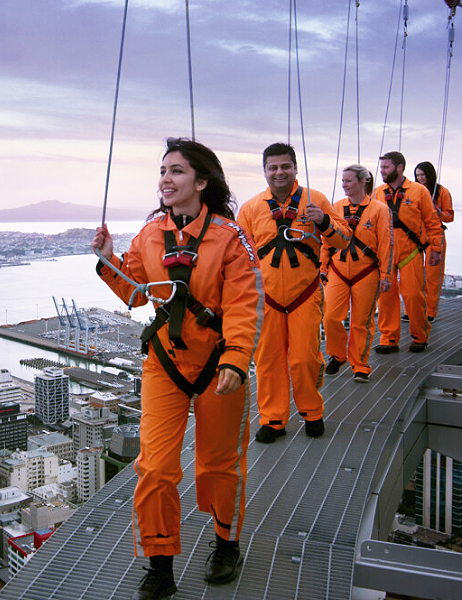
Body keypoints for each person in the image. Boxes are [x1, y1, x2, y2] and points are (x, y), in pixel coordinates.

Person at [91, 138, 258, 595]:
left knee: (218, 466)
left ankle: (226, 541)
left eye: (177, 171)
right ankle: (159, 562)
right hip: (165, 362)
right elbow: (134, 292)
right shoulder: (149, 236)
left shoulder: (230, 238)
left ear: (201, 182)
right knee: (156, 468)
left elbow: (245, 303)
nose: (166, 178)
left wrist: (237, 358)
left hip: (217, 364)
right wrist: (107, 262)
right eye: (163, 171)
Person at [237, 142, 350, 444]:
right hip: (267, 298)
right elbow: (239, 255)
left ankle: (312, 411)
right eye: (272, 167)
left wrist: (324, 221)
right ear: (264, 171)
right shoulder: (250, 210)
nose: (279, 172)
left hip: (305, 293)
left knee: (304, 358)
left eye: (285, 166)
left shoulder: (316, 201)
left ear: (295, 168)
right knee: (268, 360)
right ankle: (273, 419)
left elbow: (343, 241)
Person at [321, 165, 393, 383]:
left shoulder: (379, 210)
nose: (344, 184)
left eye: (349, 180)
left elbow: (386, 244)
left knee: (361, 322)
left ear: (363, 182)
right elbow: (327, 239)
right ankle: (337, 355)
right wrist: (323, 267)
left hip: (366, 271)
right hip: (338, 270)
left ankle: (360, 365)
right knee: (330, 317)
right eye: (343, 180)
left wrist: (386, 276)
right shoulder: (336, 207)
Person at [372, 151, 443, 353]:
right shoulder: (377, 193)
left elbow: (432, 222)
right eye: (381, 167)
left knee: (413, 296)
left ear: (400, 167)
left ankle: (420, 336)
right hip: (385, 255)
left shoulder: (419, 191)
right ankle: (389, 338)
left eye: (386, 167)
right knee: (386, 298)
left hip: (410, 252)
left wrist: (436, 248)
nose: (382, 171)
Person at [414, 161, 454, 322]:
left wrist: (438, 213)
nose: (420, 178)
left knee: (433, 276)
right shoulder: (413, 192)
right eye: (417, 175)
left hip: (435, 235)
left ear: (430, 175)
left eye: (423, 175)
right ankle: (413, 310)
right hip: (415, 236)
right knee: (414, 277)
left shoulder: (442, 192)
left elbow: (450, 217)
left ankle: (430, 311)